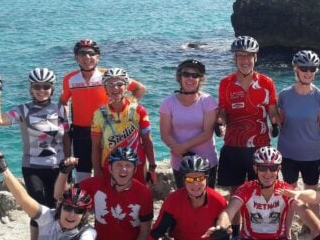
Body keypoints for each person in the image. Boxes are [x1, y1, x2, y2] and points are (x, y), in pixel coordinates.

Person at [0, 68, 71, 240]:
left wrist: (69, 165)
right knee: (38, 209)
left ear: (52, 89)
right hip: (33, 167)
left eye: (46, 87)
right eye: (37, 87)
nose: (41, 90)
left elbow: (67, 137)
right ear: (31, 89)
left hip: (59, 167)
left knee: (59, 206)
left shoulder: (61, 109)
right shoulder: (23, 110)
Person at [60, 39, 146, 182]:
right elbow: (63, 101)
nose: (87, 57)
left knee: (108, 169)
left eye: (91, 53)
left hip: (107, 129)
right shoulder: (69, 78)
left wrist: (128, 107)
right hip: (81, 131)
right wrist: (65, 123)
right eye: (82, 53)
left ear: (98, 57)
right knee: (83, 174)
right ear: (76, 57)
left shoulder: (107, 75)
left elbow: (140, 88)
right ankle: (86, 202)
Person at [216, 36, 279, 193]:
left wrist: (275, 124)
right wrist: (219, 123)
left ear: (255, 57)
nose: (245, 60)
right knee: (235, 191)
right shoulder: (226, 83)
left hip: (260, 145)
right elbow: (223, 110)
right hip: (233, 144)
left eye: (249, 56)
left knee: (260, 191)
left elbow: (272, 111)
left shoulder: (266, 82)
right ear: (234, 58)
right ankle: (236, 219)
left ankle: (255, 219)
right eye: (240, 56)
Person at [91, 68, 156, 185]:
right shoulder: (98, 114)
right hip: (109, 164)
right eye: (110, 84)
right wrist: (97, 171)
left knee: (139, 199)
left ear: (126, 87)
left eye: (119, 84)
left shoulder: (139, 110)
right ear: (104, 87)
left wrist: (152, 166)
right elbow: (95, 146)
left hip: (136, 164)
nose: (115, 88)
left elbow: (147, 141)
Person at [159, 59, 218, 188]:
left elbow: (208, 132)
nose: (190, 78)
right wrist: (179, 150)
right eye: (186, 74)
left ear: (200, 79)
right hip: (180, 163)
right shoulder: (168, 103)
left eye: (195, 75)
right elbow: (165, 133)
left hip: (206, 161)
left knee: (207, 201)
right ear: (179, 77)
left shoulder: (208, 101)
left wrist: (182, 148)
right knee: (183, 203)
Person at [276, 50, 320, 190]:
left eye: (312, 69)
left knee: (311, 192)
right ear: (296, 69)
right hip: (287, 153)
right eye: (304, 68)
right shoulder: (284, 95)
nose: (308, 73)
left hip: (312, 154)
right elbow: (281, 122)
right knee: (289, 192)